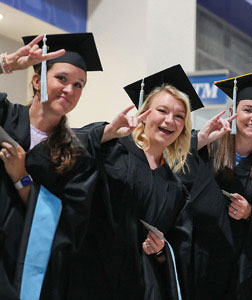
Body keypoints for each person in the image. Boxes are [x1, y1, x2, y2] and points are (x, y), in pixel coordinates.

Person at [58, 64, 201, 300]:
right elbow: (61, 146)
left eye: (179, 116)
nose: (170, 121)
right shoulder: (112, 147)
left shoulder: (175, 187)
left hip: (138, 286)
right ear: (144, 113)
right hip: (88, 274)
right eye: (162, 111)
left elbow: (178, 245)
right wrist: (108, 133)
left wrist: (161, 251)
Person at [0, 33, 100, 300]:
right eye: (62, 79)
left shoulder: (78, 159)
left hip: (29, 270)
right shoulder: (3, 118)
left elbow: (70, 224)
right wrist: (7, 64)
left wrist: (22, 177)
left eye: (79, 85)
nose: (70, 90)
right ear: (36, 80)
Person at [187, 70, 252, 299]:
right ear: (234, 113)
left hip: (242, 269)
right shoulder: (206, 151)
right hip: (200, 261)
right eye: (248, 110)